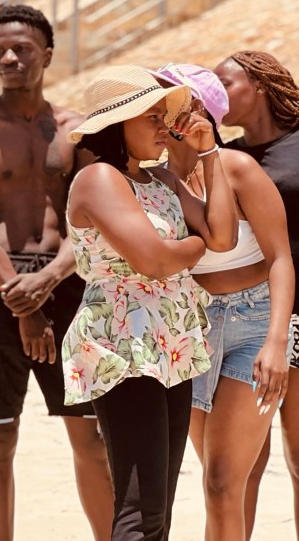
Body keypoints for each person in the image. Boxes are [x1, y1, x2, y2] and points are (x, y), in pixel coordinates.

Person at [0, 4, 114, 541]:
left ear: (46, 54)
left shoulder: (76, 130)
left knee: (87, 434)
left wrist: (48, 282)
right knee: (1, 435)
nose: (9, 58)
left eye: (21, 48)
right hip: (0, 286)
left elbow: (91, 220)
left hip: (67, 283)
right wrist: (23, 302)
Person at [63, 65, 238, 541]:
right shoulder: (99, 178)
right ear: (118, 124)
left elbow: (223, 237)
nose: (165, 129)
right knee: (140, 512)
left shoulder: (160, 180)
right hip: (124, 346)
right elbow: (155, 261)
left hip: (169, 344)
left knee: (158, 510)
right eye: (152, 119)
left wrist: (210, 154)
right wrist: (194, 246)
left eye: (165, 118)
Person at [152, 63, 293, 541]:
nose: (159, 109)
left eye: (169, 99)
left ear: (199, 108)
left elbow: (280, 259)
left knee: (222, 482)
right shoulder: (152, 180)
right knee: (213, 480)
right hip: (190, 328)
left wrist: (277, 342)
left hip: (253, 324)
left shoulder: (238, 168)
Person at [214, 50, 299, 533]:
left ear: (260, 85)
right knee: (241, 468)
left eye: (226, 83)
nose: (217, 93)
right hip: (247, 318)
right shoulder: (226, 158)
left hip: (297, 318)